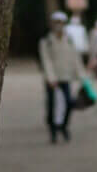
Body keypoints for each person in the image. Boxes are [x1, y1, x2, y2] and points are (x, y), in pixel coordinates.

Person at [38, 10, 86, 144]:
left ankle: (64, 126)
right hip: (52, 78)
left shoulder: (69, 40)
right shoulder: (46, 40)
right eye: (56, 22)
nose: (59, 25)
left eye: (61, 22)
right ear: (52, 24)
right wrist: (51, 78)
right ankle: (53, 131)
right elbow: (46, 60)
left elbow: (76, 58)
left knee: (69, 103)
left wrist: (82, 75)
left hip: (66, 76)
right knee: (52, 105)